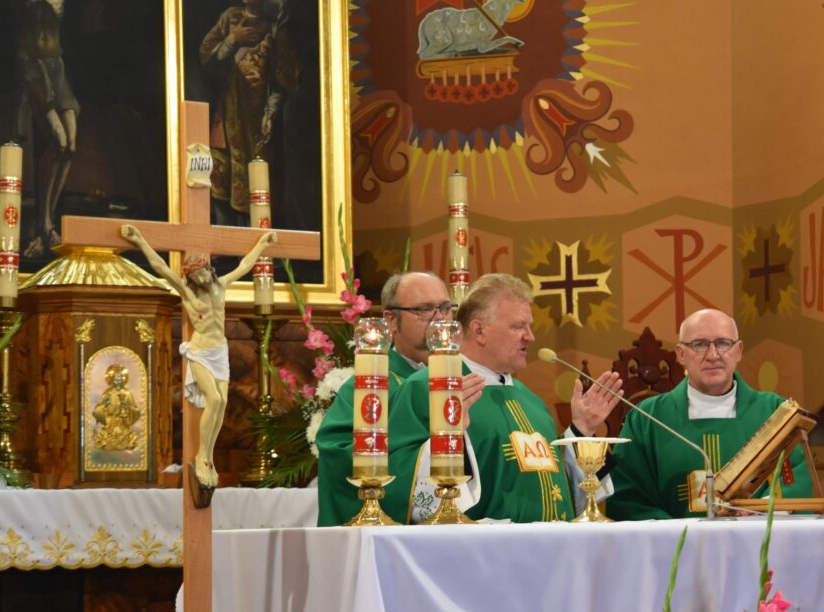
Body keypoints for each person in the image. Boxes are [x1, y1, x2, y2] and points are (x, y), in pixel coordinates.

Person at [389, 273, 623, 523]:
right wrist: (449, 436)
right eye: (518, 326)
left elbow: (559, 491)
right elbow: (402, 482)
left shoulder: (530, 400)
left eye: (529, 326)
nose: (530, 336)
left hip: (552, 544)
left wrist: (580, 431)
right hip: (482, 546)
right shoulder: (429, 387)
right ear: (479, 330)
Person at [606, 308, 813, 521]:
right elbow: (627, 497)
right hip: (674, 542)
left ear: (739, 351)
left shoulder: (775, 413)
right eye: (700, 344)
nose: (713, 355)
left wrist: (758, 510)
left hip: (758, 538)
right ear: (681, 354)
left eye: (723, 343)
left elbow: (797, 484)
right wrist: (680, 533)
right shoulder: (647, 418)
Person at [120, 223, 277, 491]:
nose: (202, 277)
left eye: (203, 271)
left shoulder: (220, 286)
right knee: (213, 399)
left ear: (209, 270)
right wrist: (140, 240)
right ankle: (202, 454)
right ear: (191, 278)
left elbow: (244, 265)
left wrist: (262, 244)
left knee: (222, 403)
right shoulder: (188, 293)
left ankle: (209, 455)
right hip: (201, 352)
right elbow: (161, 268)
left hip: (220, 350)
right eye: (196, 275)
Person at [314, 271, 454, 526]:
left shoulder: (463, 379)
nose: (439, 319)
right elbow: (338, 454)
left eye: (445, 308)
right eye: (424, 309)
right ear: (391, 320)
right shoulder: (369, 384)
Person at [198, 0, 299, 223]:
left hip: (257, 119)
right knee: (222, 181)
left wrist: (271, 111)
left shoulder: (275, 25)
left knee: (257, 186)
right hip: (228, 115)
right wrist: (232, 40)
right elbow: (206, 60)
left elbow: (284, 76)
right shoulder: (230, 17)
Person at [16, 0, 80, 257]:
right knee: (58, 141)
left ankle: (46, 222)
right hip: (34, 70)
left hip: (57, 68)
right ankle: (44, 224)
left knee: (70, 146)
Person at [92, 363, 140, 451]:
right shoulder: (108, 393)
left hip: (123, 422)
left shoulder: (127, 394)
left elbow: (136, 411)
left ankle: (125, 443)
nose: (118, 381)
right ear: (112, 380)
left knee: (123, 437)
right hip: (111, 421)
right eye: (116, 379)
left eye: (120, 379)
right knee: (109, 438)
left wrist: (127, 406)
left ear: (123, 380)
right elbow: (96, 410)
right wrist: (105, 406)